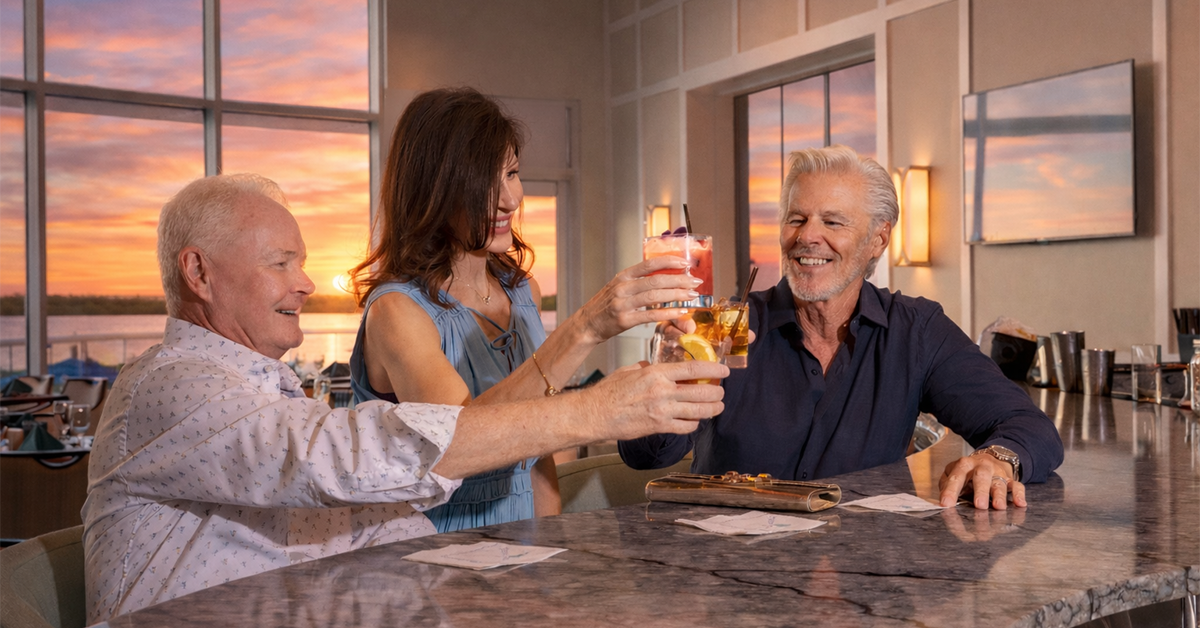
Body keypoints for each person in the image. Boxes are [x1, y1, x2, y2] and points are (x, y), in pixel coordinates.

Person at [82, 173, 726, 623]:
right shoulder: (166, 384)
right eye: (281, 263)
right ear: (198, 272)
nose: (305, 283)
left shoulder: (260, 390)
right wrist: (598, 410)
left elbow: (379, 524)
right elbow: (337, 460)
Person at [619, 145, 1064, 510]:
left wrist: (998, 459)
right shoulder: (725, 327)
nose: (808, 236)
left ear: (878, 239)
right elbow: (647, 456)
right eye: (797, 218)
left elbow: (1030, 427)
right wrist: (669, 370)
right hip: (727, 574)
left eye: (832, 221)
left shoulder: (915, 330)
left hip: (860, 575)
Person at [348, 87, 704, 532]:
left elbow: (539, 452)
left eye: (513, 173)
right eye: (484, 184)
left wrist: (548, 551)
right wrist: (585, 329)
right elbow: (462, 447)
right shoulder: (398, 313)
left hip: (519, 547)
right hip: (430, 550)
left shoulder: (523, 292)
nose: (510, 199)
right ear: (434, 191)